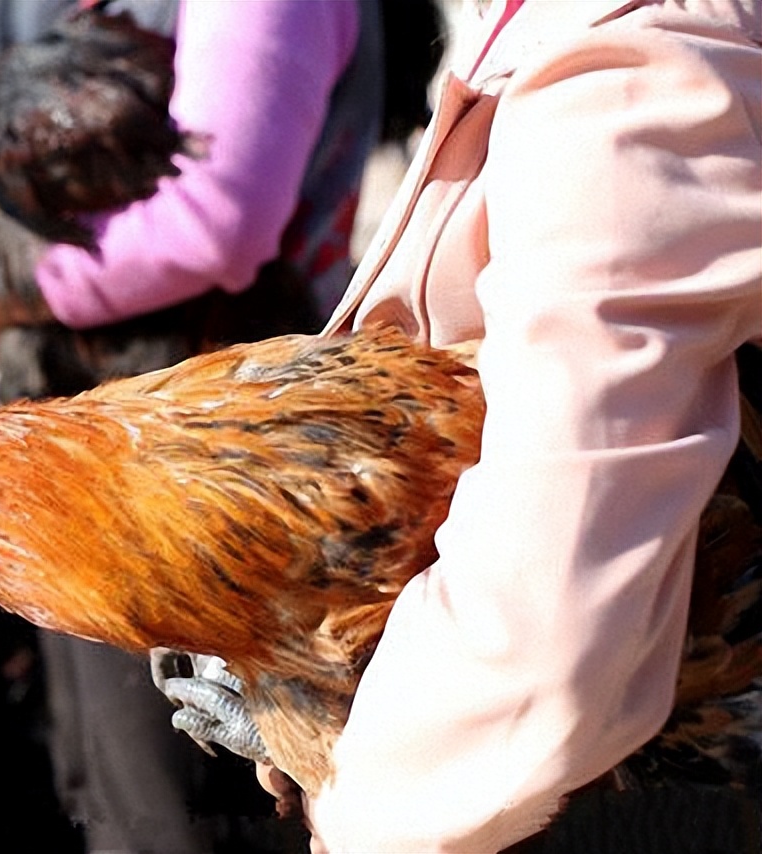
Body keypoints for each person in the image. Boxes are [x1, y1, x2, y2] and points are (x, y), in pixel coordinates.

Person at [287, 0, 761, 851]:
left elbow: (549, 624)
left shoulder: (624, 73)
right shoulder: (563, 33)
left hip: (626, 789)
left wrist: (359, 811)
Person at [0, 2, 388, 852]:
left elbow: (218, 220)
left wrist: (4, 286)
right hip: (120, 441)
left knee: (173, 804)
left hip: (208, 463)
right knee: (107, 778)